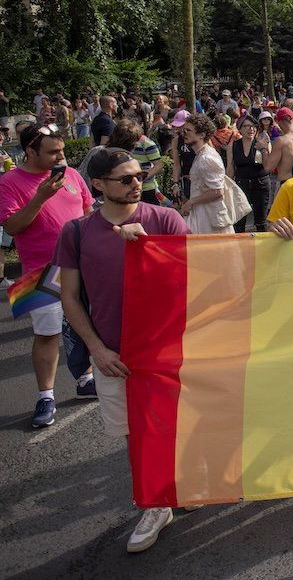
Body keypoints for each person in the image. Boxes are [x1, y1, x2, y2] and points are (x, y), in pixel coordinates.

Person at [55, 148, 191, 552]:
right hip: (115, 355)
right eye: (126, 178)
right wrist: (96, 349)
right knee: (134, 433)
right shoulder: (76, 232)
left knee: (177, 422)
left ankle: (178, 488)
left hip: (168, 349)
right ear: (98, 185)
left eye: (139, 175)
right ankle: (155, 503)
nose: (137, 184)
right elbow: (70, 298)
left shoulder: (165, 220)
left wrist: (150, 249)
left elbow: (198, 276)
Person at [0, 125, 95, 426]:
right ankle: (46, 396)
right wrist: (40, 197)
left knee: (86, 326)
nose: (61, 157)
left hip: (81, 266)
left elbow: (89, 213)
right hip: (41, 272)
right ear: (30, 151)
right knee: (48, 334)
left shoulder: (72, 175)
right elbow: (12, 228)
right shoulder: (10, 182)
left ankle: (86, 378)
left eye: (62, 150)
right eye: (53, 152)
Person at [178, 114, 233, 235]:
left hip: (209, 218)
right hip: (202, 214)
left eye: (189, 130)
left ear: (202, 135)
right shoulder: (201, 154)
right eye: (184, 130)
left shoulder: (206, 158)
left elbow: (218, 192)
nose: (184, 133)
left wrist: (191, 202)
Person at [227, 116, 270, 233]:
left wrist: (264, 149)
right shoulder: (233, 145)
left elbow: (268, 166)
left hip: (260, 183)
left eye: (253, 126)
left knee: (261, 220)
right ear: (239, 129)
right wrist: (226, 187)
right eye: (246, 126)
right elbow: (230, 168)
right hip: (241, 183)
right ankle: (239, 247)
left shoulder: (262, 142)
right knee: (239, 219)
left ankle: (263, 248)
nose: (250, 129)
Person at [264, 106, 293, 185]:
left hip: (286, 183)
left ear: (278, 122)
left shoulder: (281, 141)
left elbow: (268, 167)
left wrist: (263, 149)